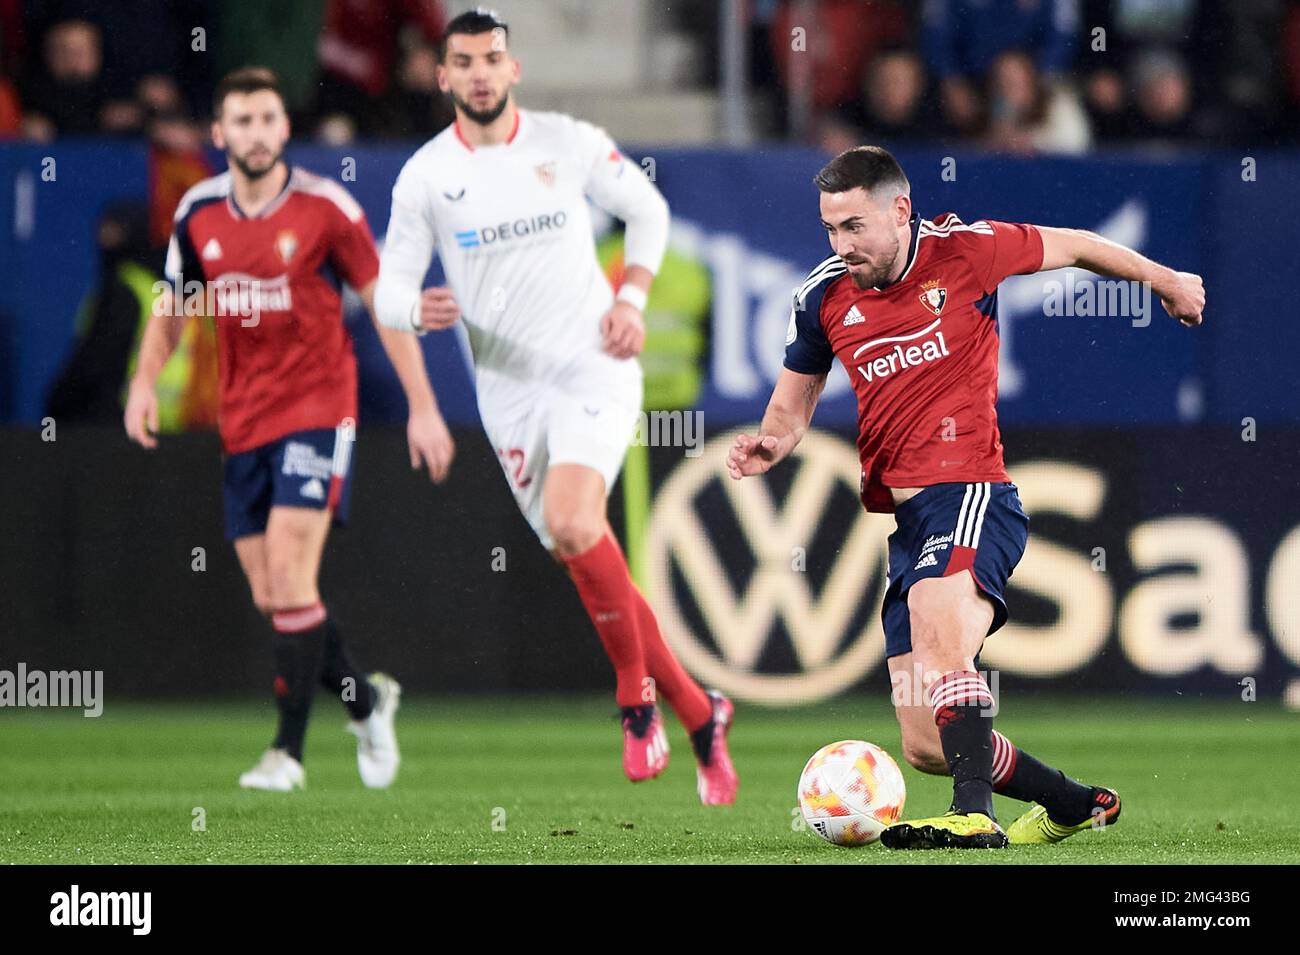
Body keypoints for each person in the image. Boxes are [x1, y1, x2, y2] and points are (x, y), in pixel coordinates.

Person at [728, 145, 1204, 847]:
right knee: (924, 739)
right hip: (910, 520)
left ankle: (974, 813)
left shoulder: (968, 250)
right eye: (831, 228)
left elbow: (1074, 245)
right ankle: (1073, 802)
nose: (841, 245)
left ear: (899, 209)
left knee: (937, 616)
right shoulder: (822, 297)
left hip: (974, 492)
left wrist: (1167, 280)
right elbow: (791, 406)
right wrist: (770, 444)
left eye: (855, 226)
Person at [374, 8, 737, 804]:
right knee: (586, 549)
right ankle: (699, 709)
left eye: (491, 58)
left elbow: (647, 210)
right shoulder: (426, 176)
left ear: (514, 70)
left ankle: (636, 697)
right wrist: (414, 310)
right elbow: (388, 288)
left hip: (592, 365)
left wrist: (633, 297)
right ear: (442, 77)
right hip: (508, 393)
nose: (478, 72)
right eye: (462, 60)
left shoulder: (565, 142)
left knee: (577, 523)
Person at [125, 67, 456, 792]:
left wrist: (423, 405)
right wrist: (145, 382)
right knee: (275, 595)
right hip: (243, 420)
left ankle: (288, 754)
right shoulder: (198, 214)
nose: (256, 132)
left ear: (284, 128)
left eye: (268, 118)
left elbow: (383, 305)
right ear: (219, 134)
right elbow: (173, 305)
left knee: (289, 572)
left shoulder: (326, 208)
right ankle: (366, 702)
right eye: (240, 120)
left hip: (317, 408)